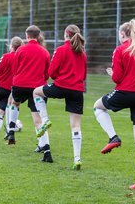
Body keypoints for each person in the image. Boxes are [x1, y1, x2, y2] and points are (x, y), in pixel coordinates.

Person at [93, 19, 135, 191]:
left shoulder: (120, 50)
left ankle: (113, 137)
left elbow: (117, 78)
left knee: (98, 106)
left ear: (122, 34)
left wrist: (112, 73)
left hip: (125, 93)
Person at [34, 24, 87, 170]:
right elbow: (83, 75)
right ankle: (77, 158)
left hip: (61, 86)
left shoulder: (61, 50)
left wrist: (61, 78)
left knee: (36, 92)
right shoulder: (82, 53)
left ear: (66, 34)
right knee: (75, 125)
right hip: (77, 90)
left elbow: (51, 72)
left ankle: (45, 120)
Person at [7, 25, 53, 162]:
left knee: (14, 103)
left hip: (20, 84)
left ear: (26, 36)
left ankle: (10, 130)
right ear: (39, 36)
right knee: (38, 120)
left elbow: (15, 69)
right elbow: (47, 73)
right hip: (37, 88)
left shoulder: (20, 49)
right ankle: (47, 152)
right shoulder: (45, 52)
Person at [0, 36, 24, 145]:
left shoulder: (6, 56)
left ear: (11, 46)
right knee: (1, 113)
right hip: (11, 90)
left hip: (0, 86)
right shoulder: (20, 59)